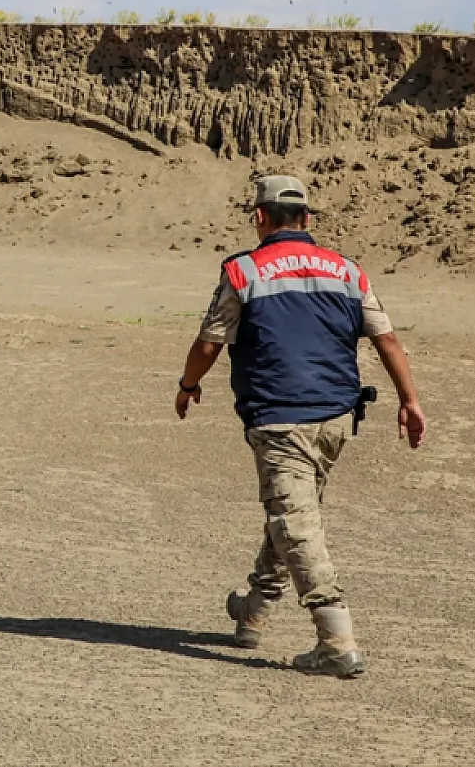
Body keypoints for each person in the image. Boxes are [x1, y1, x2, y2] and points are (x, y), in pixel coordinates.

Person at [175, 174, 426, 678]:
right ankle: (255, 611)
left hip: (279, 415)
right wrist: (409, 400)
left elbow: (210, 341)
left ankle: (336, 640)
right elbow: (387, 340)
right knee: (295, 512)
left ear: (260, 217)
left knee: (296, 523)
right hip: (336, 416)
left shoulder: (244, 271)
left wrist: (187, 384)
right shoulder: (347, 271)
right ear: (307, 220)